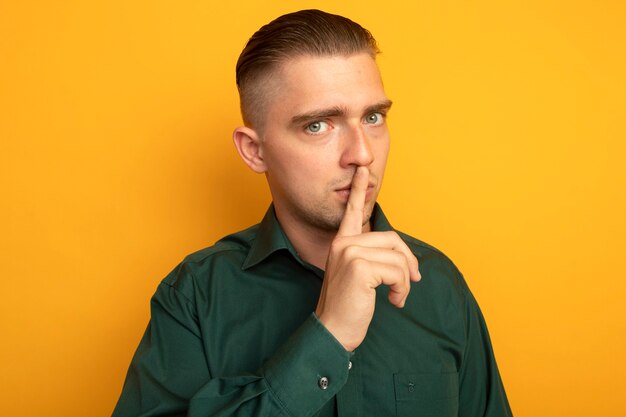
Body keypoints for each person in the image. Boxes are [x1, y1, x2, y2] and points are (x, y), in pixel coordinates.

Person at [112, 9, 512, 417]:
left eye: (373, 118)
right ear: (255, 150)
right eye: (318, 125)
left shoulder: (439, 285)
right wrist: (329, 336)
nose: (362, 154)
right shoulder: (196, 295)